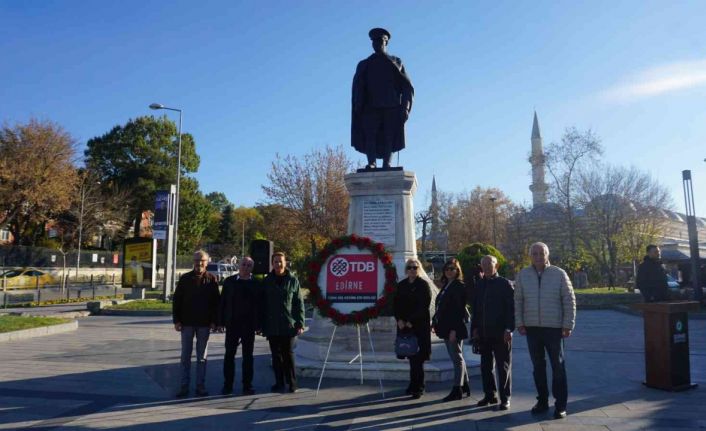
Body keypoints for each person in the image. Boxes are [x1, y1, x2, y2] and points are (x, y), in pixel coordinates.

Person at [515, 242, 576, 419]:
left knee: (558, 367)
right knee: (538, 367)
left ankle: (561, 405)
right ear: (530, 256)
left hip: (554, 328)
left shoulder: (559, 274)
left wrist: (568, 324)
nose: (538, 256)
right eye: (534, 253)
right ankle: (542, 401)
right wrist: (520, 322)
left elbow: (569, 300)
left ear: (547, 255)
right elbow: (518, 300)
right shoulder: (523, 275)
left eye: (541, 253)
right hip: (532, 328)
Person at [351, 27, 414, 170]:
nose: (377, 44)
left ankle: (387, 163)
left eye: (380, 41)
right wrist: (358, 105)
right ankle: (371, 162)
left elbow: (407, 87)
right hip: (370, 107)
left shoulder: (396, 62)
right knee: (370, 136)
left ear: (386, 43)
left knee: (389, 136)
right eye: (374, 42)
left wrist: (405, 107)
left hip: (391, 106)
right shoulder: (364, 64)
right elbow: (358, 87)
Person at [172, 250, 220, 398]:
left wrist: (214, 321)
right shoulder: (185, 278)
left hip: (204, 324)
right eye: (197, 260)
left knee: (201, 357)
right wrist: (177, 320)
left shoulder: (212, 279)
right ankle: (184, 387)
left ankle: (200, 386)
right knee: (185, 357)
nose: (199, 263)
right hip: (186, 323)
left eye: (202, 261)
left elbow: (216, 303)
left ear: (207, 262)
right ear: (193, 261)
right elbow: (177, 301)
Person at [472, 255, 514, 410]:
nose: (487, 267)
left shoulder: (504, 284)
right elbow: (476, 309)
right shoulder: (479, 284)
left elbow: (511, 309)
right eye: (484, 264)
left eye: (490, 264)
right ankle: (490, 395)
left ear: (496, 266)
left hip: (501, 333)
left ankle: (505, 398)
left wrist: (509, 328)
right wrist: (474, 329)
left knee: (503, 366)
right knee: (485, 366)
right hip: (483, 333)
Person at [261, 252, 305, 393]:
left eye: (280, 261)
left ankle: (292, 382)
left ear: (285, 263)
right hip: (272, 324)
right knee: (276, 356)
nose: (278, 264)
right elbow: (263, 304)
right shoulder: (267, 281)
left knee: (288, 354)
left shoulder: (293, 280)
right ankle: (279, 382)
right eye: (275, 262)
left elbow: (299, 303)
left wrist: (300, 323)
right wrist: (261, 324)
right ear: (272, 264)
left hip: (288, 324)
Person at [218, 256, 259, 396]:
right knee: (229, 355)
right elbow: (223, 302)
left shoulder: (257, 283)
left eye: (249, 265)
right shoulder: (229, 282)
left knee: (248, 357)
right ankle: (227, 385)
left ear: (252, 268)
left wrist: (258, 325)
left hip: (249, 326)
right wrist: (221, 322)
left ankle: (247, 385)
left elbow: (260, 307)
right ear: (238, 265)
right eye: (243, 264)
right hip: (232, 325)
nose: (246, 267)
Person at [432, 258, 470, 401]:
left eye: (452, 269)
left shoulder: (459, 286)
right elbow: (441, 306)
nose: (449, 271)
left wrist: (454, 330)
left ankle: (457, 389)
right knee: (457, 357)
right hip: (445, 326)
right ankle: (465, 385)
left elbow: (458, 310)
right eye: (447, 269)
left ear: (457, 270)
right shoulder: (447, 285)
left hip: (454, 328)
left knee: (457, 358)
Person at [394, 258, 432, 399]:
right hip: (404, 326)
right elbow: (396, 304)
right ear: (406, 269)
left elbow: (424, 306)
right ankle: (412, 384)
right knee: (410, 356)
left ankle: (419, 387)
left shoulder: (423, 285)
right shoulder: (402, 285)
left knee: (418, 358)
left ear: (419, 269)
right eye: (409, 267)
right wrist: (399, 320)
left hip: (418, 326)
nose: (412, 270)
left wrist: (411, 321)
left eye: (415, 267)